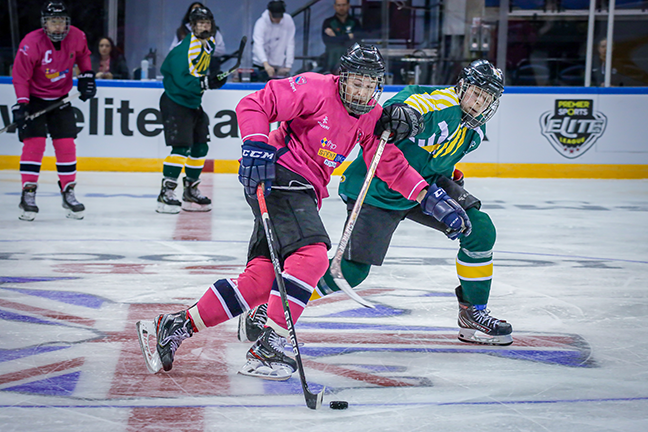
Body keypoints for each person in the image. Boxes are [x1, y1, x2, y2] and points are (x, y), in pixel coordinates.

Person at [137, 44, 471, 380]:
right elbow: (254, 103)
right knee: (313, 257)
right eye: (357, 82)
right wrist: (254, 144)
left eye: (370, 85)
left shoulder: (370, 116)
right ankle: (269, 347)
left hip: (301, 191)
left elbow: (390, 165)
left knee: (259, 282)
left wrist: (431, 199)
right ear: (343, 77)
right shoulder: (315, 88)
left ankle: (175, 324)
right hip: (278, 177)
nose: (362, 91)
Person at [240, 59, 513, 347]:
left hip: (423, 189)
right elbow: (403, 105)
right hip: (378, 188)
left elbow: (437, 157)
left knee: (480, 229)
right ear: (462, 87)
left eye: (487, 98)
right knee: (351, 272)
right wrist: (401, 112)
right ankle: (271, 304)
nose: (479, 102)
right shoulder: (441, 103)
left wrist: (449, 178)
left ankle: (473, 313)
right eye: (475, 93)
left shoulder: (474, 131)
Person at [11, 1, 96, 221]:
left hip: (61, 99)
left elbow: (83, 55)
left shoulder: (77, 36)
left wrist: (87, 75)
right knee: (35, 144)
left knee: (66, 144)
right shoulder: (30, 43)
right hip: (34, 99)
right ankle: (28, 193)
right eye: (52, 22)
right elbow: (20, 76)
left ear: (67, 23)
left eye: (61, 21)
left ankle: (68, 192)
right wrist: (21, 103)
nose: (57, 26)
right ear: (44, 24)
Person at [156, 5, 227, 214]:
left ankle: (191, 190)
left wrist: (213, 77)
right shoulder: (185, 49)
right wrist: (205, 83)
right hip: (176, 101)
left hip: (193, 102)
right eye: (199, 24)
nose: (204, 27)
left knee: (200, 146)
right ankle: (166, 193)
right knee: (181, 148)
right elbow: (178, 76)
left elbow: (200, 70)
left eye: (207, 23)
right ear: (192, 26)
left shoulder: (209, 43)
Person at [252, 1, 295, 82]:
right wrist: (266, 64)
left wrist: (288, 66)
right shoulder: (261, 23)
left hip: (279, 67)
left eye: (279, 17)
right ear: (269, 13)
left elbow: (290, 43)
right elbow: (258, 44)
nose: (277, 19)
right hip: (261, 65)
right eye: (275, 17)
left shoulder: (288, 21)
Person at [321, 0, 363, 74]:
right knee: (335, 50)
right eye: (339, 5)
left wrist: (336, 36)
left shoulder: (355, 22)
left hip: (351, 57)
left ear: (348, 6)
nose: (341, 7)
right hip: (333, 58)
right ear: (334, 7)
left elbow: (357, 40)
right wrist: (348, 36)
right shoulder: (328, 22)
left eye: (343, 5)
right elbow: (327, 41)